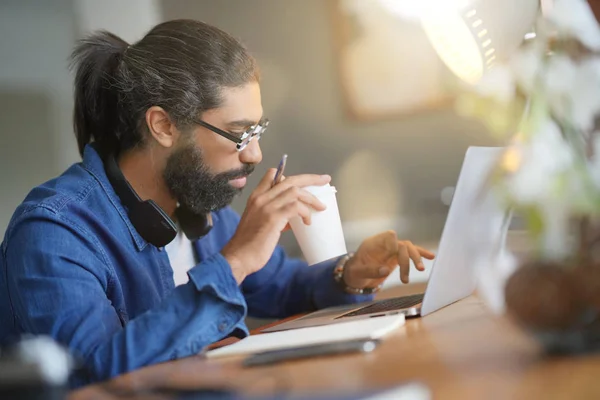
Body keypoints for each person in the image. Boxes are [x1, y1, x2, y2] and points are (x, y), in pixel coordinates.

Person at [0, 19, 434, 387]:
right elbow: (98, 373)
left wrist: (348, 273)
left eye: (258, 130)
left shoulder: (194, 205)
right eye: (240, 134)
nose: (255, 154)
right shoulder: (54, 233)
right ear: (164, 125)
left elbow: (282, 286)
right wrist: (235, 262)